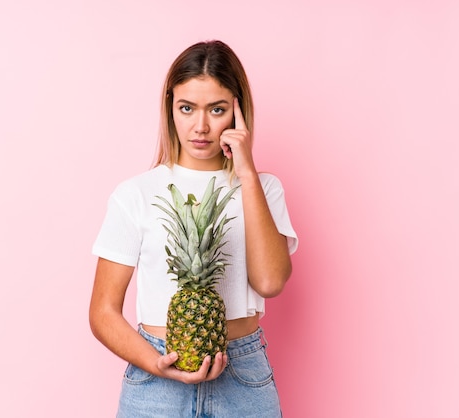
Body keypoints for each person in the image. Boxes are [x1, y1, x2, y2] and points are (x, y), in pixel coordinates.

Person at [89, 40, 298, 417]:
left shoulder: (264, 188)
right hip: (156, 375)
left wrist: (246, 172)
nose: (200, 127)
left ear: (238, 111)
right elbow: (103, 311)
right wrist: (155, 363)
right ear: (170, 107)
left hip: (243, 373)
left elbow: (270, 282)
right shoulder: (136, 193)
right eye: (187, 108)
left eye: (217, 110)